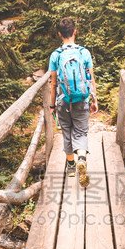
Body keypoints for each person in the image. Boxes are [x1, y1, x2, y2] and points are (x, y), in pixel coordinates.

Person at [48, 17, 98, 186]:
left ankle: (70, 166)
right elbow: (90, 79)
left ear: (60, 34)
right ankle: (81, 158)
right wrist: (94, 99)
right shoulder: (84, 53)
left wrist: (52, 105)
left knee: (67, 131)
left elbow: (53, 83)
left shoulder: (56, 55)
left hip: (63, 99)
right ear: (75, 32)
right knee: (81, 132)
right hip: (82, 99)